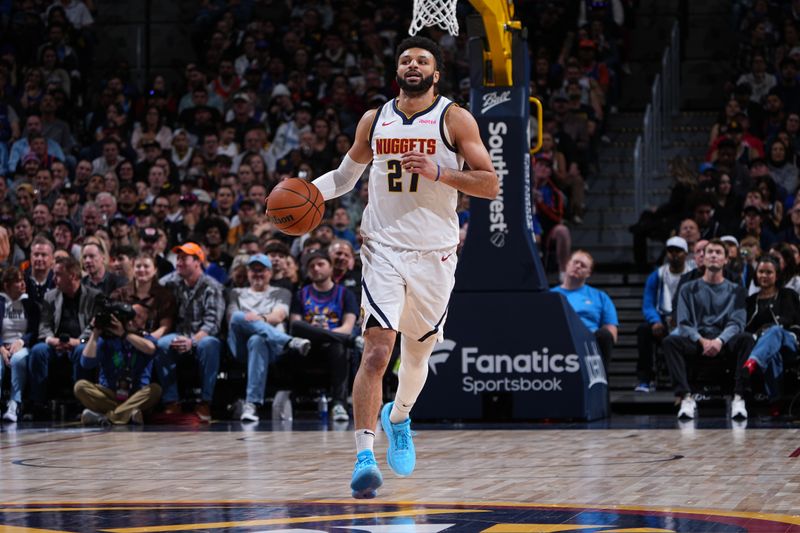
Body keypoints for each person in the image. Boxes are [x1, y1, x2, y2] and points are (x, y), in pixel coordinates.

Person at [300, 36, 498, 498]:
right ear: (397, 70)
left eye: (422, 60)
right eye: (406, 59)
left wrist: (441, 172)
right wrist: (302, 192)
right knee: (375, 351)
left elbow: (489, 184)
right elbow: (346, 178)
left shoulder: (454, 118)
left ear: (436, 73)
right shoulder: (375, 119)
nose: (413, 64)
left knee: (417, 356)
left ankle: (401, 416)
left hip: (436, 254)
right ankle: (364, 456)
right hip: (383, 248)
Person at [661, 239, 754, 419]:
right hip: (698, 340)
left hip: (724, 340)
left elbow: (737, 322)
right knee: (670, 341)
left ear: (726, 260)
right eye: (709, 252)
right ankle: (686, 397)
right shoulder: (687, 289)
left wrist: (719, 341)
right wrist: (702, 341)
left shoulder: (736, 290)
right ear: (702, 259)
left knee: (747, 339)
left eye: (718, 252)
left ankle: (739, 397)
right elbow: (684, 322)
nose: (713, 255)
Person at [226, 254, 311, 422]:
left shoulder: (281, 292)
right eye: (253, 270)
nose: (257, 274)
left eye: (262, 270)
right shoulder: (236, 292)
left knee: (257, 340)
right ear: (248, 273)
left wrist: (257, 320)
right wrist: (255, 320)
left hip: (270, 347)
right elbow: (231, 318)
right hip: (240, 346)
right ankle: (288, 341)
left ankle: (251, 405)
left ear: (270, 273)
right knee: (237, 317)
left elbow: (278, 316)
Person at [156, 242, 224, 422]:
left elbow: (212, 324)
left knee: (210, 344)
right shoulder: (173, 281)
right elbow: (153, 286)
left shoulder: (212, 286)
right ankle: (171, 401)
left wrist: (192, 341)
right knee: (162, 343)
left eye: (183, 259)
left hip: (202, 337)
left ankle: (205, 402)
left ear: (197, 262)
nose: (178, 263)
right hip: (180, 334)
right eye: (177, 259)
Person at [289, 249, 359, 423]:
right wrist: (314, 330)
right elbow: (296, 326)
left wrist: (325, 334)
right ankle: (352, 343)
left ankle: (339, 404)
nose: (315, 268)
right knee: (298, 326)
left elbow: (348, 327)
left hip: (333, 345)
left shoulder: (345, 294)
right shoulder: (301, 294)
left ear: (330, 267)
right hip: (307, 346)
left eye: (320, 264)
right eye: (311, 266)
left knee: (338, 346)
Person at [28, 256, 102, 411]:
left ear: (72, 276)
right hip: (56, 344)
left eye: (58, 274)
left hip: (81, 343)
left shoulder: (94, 296)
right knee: (37, 351)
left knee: (82, 350)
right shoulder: (50, 296)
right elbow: (44, 325)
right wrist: (51, 340)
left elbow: (93, 327)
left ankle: (82, 403)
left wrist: (78, 341)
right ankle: (38, 404)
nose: (53, 278)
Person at [74, 301, 162, 426]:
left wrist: (124, 334)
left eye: (138, 317)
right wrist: (95, 334)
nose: (132, 320)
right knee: (80, 387)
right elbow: (86, 363)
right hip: (109, 393)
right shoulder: (107, 339)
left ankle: (107, 417)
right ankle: (126, 414)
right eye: (130, 316)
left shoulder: (145, 337)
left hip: (135, 394)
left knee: (155, 390)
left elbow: (151, 349)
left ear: (145, 322)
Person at [635, 237, 693, 393]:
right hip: (662, 318)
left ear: (686, 253)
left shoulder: (692, 274)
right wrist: (654, 321)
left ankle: (691, 380)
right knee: (643, 330)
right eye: (671, 251)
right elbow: (648, 303)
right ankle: (645, 380)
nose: (674, 254)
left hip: (685, 320)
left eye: (678, 251)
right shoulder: (657, 275)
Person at [742, 255, 800, 408]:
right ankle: (775, 402)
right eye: (761, 272)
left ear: (777, 275)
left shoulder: (789, 295)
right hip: (763, 345)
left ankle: (752, 362)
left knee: (775, 331)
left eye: (769, 272)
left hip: (790, 342)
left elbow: (797, 322)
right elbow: (745, 328)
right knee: (773, 354)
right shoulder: (750, 301)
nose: (764, 276)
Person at [551, 250, 619, 368]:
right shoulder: (550, 295)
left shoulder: (600, 297)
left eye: (583, 265)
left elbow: (611, 331)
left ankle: (601, 382)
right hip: (558, 340)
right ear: (567, 265)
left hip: (589, 343)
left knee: (604, 335)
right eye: (575, 262)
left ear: (588, 273)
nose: (578, 266)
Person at [0, 267, 40, 422]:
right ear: (6, 285)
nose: (22, 284)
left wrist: (21, 341)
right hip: (2, 346)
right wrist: (2, 347)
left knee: (17, 360)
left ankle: (14, 403)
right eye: (17, 281)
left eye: (23, 280)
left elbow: (35, 330)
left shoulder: (30, 304)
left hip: (22, 345)